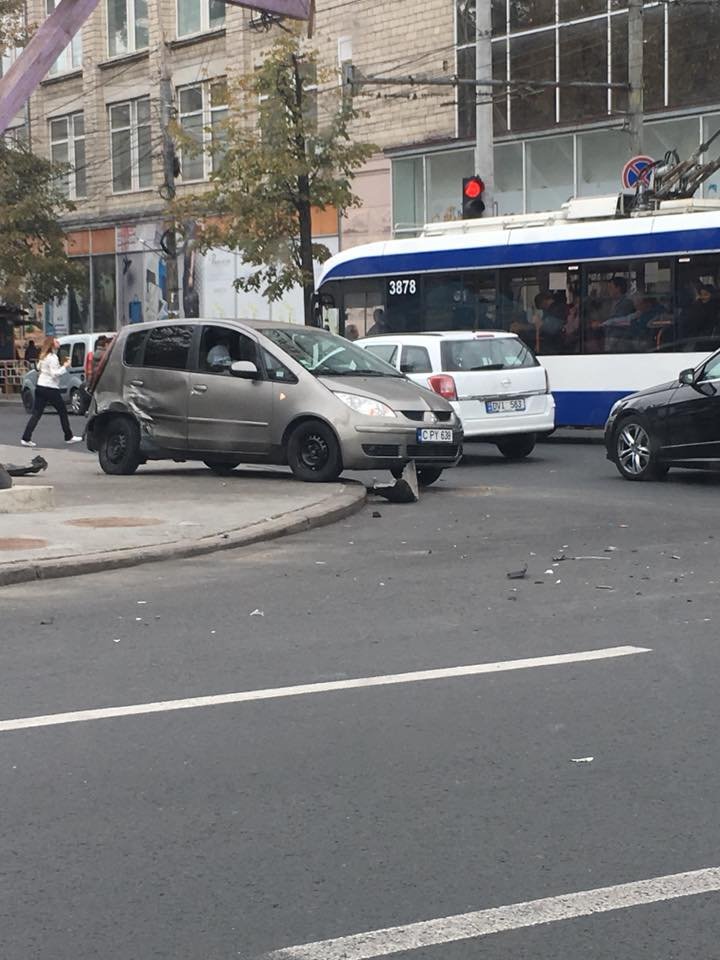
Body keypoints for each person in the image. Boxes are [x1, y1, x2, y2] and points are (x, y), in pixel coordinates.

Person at [21, 336, 83, 447]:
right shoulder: (53, 357)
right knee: (63, 411)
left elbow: (38, 368)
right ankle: (68, 436)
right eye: (56, 341)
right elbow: (55, 373)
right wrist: (65, 366)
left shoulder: (44, 356)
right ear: (52, 345)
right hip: (50, 388)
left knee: (37, 414)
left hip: (40, 386)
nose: (58, 342)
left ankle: (26, 437)